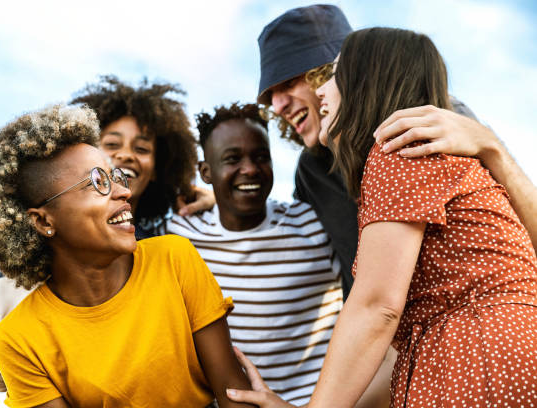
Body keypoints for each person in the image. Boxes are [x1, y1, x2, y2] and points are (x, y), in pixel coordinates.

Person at [227, 27, 537, 407]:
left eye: (333, 76)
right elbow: (392, 341)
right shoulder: (344, 168)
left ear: (367, 82)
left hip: (479, 362)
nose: (323, 90)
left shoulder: (403, 148)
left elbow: (377, 308)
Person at [0, 105, 253, 408]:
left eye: (115, 178)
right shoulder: (19, 338)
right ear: (44, 221)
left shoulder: (174, 258)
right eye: (97, 183)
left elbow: (234, 395)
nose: (122, 192)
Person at [250, 4, 537, 302]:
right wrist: (219, 206)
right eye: (271, 95)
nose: (278, 105)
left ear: (339, 71)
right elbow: (295, 234)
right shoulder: (312, 169)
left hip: (478, 334)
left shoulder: (436, 120)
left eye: (289, 82)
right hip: (384, 344)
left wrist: (491, 148)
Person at [0, 76, 200, 392]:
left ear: (160, 167)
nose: (126, 155)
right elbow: (0, 362)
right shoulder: (37, 259)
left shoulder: (170, 249)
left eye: (142, 148)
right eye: (111, 144)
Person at [159, 102, 343, 406]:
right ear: (206, 172)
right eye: (232, 159)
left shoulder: (311, 224)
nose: (250, 169)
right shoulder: (180, 237)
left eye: (261, 157)